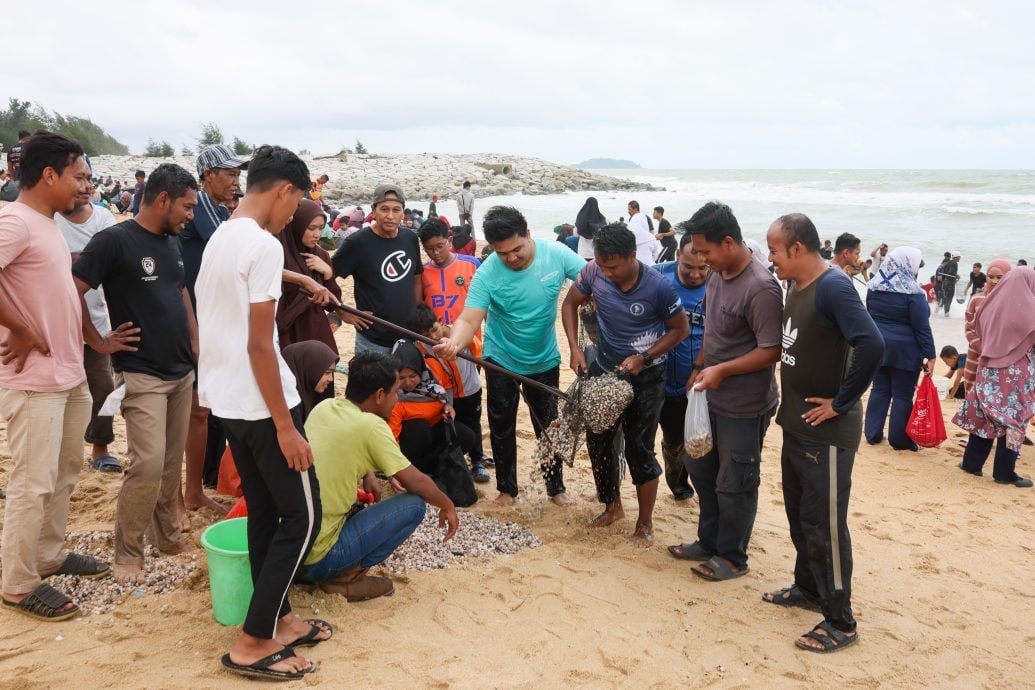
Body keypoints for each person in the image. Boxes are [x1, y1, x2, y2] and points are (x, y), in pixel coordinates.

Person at [196, 145, 330, 681]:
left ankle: (282, 617)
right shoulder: (264, 245)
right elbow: (259, 345)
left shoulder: (221, 237)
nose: (291, 214)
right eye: (295, 202)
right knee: (303, 516)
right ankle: (253, 642)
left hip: (227, 399)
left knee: (265, 513)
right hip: (261, 405)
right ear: (285, 191)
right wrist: (284, 427)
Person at [0, 131, 138, 622]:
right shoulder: (15, 221)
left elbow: (64, 292)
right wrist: (17, 326)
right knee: (32, 482)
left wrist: (96, 343)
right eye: (79, 176)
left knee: (64, 472)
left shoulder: (48, 225)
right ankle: (17, 583)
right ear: (49, 175)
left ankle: (49, 555)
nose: (86, 186)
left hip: (67, 370)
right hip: (33, 378)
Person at [72, 163, 200, 584]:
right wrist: (98, 341)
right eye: (186, 206)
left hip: (181, 371)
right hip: (141, 373)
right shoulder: (114, 240)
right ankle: (127, 554)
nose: (190, 215)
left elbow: (179, 290)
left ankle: (165, 537)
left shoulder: (171, 241)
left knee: (168, 465)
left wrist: (195, 341)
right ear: (163, 199)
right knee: (145, 464)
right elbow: (72, 290)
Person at [763, 213, 883, 654]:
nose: (771, 258)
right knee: (799, 514)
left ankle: (841, 621)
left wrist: (842, 402)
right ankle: (808, 588)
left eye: (775, 250)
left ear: (797, 248)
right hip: (796, 424)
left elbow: (872, 343)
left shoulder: (833, 286)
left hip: (826, 434)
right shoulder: (796, 286)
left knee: (825, 525)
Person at [434, 206, 585, 507]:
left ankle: (555, 488)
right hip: (500, 357)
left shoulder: (556, 254)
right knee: (501, 424)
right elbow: (468, 319)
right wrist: (455, 343)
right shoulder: (488, 271)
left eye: (517, 249)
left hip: (544, 357)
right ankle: (507, 489)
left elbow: (594, 280)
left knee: (548, 424)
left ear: (528, 235)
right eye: (504, 254)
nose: (512, 258)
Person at [673, 201, 782, 581]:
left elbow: (771, 350)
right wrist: (702, 366)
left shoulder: (761, 287)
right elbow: (713, 327)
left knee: (735, 482)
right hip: (709, 394)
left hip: (744, 404)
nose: (702, 260)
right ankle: (709, 540)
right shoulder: (718, 275)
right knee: (702, 469)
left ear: (730, 242)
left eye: (706, 251)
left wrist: (722, 370)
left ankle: (733, 557)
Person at [562, 224, 688, 546]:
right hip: (605, 366)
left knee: (638, 446)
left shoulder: (658, 287)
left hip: (647, 376)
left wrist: (644, 358)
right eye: (602, 265)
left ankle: (644, 524)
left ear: (633, 256)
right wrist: (576, 349)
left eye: (613, 266)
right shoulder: (593, 271)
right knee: (599, 439)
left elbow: (679, 330)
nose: (607, 273)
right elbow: (570, 304)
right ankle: (612, 506)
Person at [298, 351, 458, 599]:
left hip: (291, 552)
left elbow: (345, 446)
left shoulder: (325, 407)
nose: (397, 398)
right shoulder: (372, 427)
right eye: (395, 392)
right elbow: (415, 481)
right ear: (380, 395)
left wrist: (368, 473)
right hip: (319, 559)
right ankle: (346, 579)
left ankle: (340, 572)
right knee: (414, 505)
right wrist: (447, 505)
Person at [179, 143, 249, 515]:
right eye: (230, 173)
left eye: (239, 174)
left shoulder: (218, 208)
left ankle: (193, 490)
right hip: (189, 319)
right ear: (207, 176)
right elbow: (235, 252)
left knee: (200, 409)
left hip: (205, 317)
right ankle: (185, 492)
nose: (236, 181)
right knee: (191, 408)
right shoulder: (205, 205)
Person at [55, 168, 123, 473]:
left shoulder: (103, 219)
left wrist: (71, 260)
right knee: (57, 390)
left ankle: (99, 446)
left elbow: (112, 262)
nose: (84, 188)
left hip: (95, 320)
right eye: (77, 181)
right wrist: (92, 260)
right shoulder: (50, 218)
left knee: (103, 386)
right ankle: (58, 450)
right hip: (54, 324)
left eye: (87, 181)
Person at [953, 268, 1035, 487]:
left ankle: (971, 465)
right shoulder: (1031, 311)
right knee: (1013, 422)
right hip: (1016, 376)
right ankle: (1004, 473)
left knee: (984, 415)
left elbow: (975, 331)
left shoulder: (988, 306)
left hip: (988, 368)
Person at [332, 184, 423, 354]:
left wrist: (417, 314)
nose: (390, 216)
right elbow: (327, 277)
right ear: (373, 211)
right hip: (372, 341)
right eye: (384, 209)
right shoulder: (357, 243)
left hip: (409, 338)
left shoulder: (410, 238)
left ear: (403, 213)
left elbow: (417, 279)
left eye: (396, 210)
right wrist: (342, 311)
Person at [408, 303, 491, 482]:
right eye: (425, 335)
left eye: (434, 330)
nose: (432, 336)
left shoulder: (460, 334)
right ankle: (458, 461)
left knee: (474, 423)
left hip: (471, 389)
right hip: (448, 394)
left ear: (440, 321)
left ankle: (477, 461)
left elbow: (478, 352)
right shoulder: (422, 347)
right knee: (456, 425)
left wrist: (457, 347)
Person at [863, 247, 936, 451]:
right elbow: (922, 327)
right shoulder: (914, 293)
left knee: (879, 389)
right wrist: (930, 354)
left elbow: (870, 315)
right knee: (902, 395)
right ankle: (899, 440)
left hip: (878, 346)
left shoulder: (874, 287)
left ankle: (872, 433)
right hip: (906, 351)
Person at [654, 232, 708, 502]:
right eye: (688, 267)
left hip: (695, 384)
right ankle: (675, 484)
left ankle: (684, 487)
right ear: (677, 257)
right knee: (667, 439)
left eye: (702, 268)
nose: (696, 275)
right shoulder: (656, 277)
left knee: (692, 439)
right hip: (655, 378)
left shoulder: (719, 287)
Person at [388, 340, 477, 475]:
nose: (407, 382)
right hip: (412, 441)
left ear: (421, 371)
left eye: (413, 376)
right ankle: (415, 471)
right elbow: (392, 437)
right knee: (419, 428)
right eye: (401, 378)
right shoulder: (394, 399)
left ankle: (435, 468)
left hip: (435, 427)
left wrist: (448, 405)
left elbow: (446, 385)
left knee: (466, 436)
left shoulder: (433, 367)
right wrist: (394, 471)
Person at [275, 199, 343, 353]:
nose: (317, 234)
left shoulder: (322, 256)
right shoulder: (278, 253)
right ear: (297, 225)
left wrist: (328, 273)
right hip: (287, 333)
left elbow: (333, 304)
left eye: (321, 228)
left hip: (316, 331)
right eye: (311, 228)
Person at [419, 217, 479, 327]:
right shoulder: (422, 272)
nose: (436, 252)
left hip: (470, 340)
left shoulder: (473, 265)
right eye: (429, 249)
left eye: (440, 246)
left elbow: (486, 305)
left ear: (450, 241)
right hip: (435, 340)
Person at [962, 259, 1011, 391]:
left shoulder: (1012, 302)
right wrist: (983, 349)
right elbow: (968, 328)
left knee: (998, 393)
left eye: (1000, 277)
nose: (994, 281)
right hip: (977, 353)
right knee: (972, 391)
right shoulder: (976, 299)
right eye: (991, 277)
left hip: (1002, 356)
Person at [626, 200, 658, 264]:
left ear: (635, 209)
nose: (628, 212)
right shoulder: (631, 219)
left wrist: (650, 240)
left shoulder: (646, 217)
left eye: (629, 209)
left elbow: (651, 231)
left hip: (646, 243)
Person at [937, 251, 961, 315]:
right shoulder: (955, 263)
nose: (960, 258)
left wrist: (944, 283)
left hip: (945, 282)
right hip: (950, 283)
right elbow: (951, 273)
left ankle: (938, 310)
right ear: (956, 257)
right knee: (949, 298)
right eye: (959, 257)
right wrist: (956, 275)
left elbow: (944, 274)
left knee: (945, 297)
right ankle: (946, 313)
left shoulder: (948, 263)